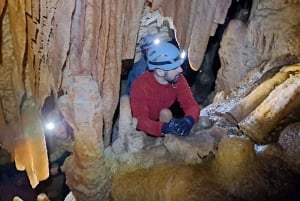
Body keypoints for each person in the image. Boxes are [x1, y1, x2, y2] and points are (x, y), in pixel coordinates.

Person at [130, 42, 200, 137]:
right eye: (174, 67)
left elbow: (191, 104)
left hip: (161, 116)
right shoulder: (140, 85)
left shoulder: (179, 80)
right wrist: (163, 128)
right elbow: (140, 120)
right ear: (160, 72)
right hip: (141, 130)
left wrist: (189, 120)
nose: (180, 70)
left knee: (165, 113)